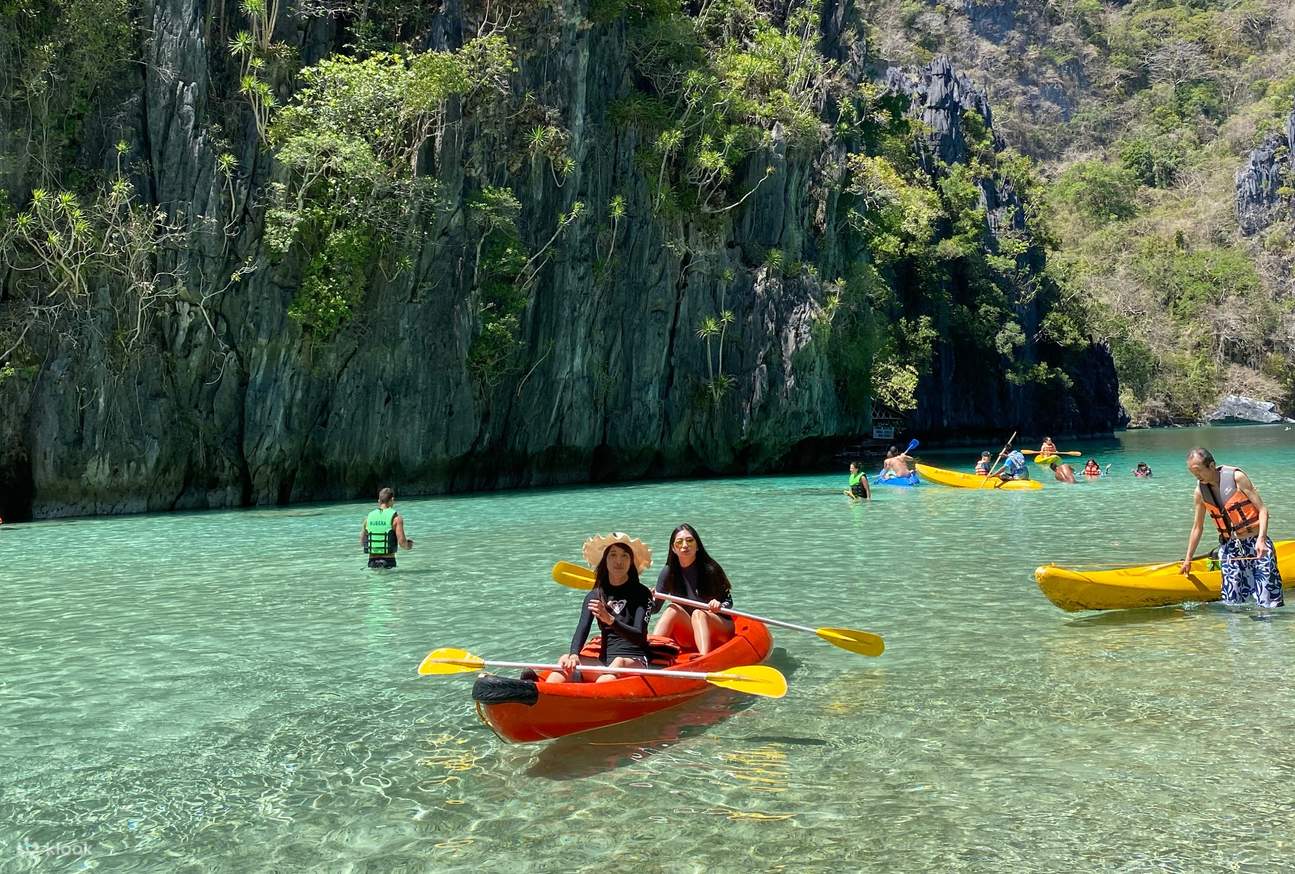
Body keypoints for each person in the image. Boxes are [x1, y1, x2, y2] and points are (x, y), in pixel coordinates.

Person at [1179, 448, 1281, 608]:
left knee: (1268, 603)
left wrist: (1261, 539)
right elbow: (1197, 527)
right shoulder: (1200, 492)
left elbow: (1263, 510)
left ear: (1212, 466)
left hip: (1257, 544)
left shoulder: (1237, 478)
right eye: (1192, 472)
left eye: (1198, 471)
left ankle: (1267, 632)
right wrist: (1188, 559)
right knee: (1232, 603)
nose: (1196, 476)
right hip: (1230, 548)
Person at [549, 534, 655, 683]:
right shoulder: (595, 595)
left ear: (631, 562)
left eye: (624, 556)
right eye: (613, 555)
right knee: (564, 659)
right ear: (605, 560)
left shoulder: (642, 594)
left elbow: (639, 636)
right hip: (604, 664)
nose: (618, 561)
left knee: (619, 662)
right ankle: (543, 697)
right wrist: (574, 654)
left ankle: (593, 697)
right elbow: (582, 628)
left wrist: (610, 620)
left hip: (635, 661)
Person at [653, 523, 734, 654]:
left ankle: (704, 657)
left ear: (697, 546)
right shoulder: (669, 572)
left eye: (690, 541)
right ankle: (651, 653)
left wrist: (719, 605)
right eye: (679, 542)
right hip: (691, 630)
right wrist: (645, 598)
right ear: (673, 548)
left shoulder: (710, 569)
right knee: (671, 609)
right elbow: (654, 608)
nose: (685, 545)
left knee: (698, 613)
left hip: (719, 627)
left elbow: (729, 602)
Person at [359, 487, 413, 569]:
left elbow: (362, 542)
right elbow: (402, 543)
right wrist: (409, 545)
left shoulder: (368, 518)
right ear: (392, 500)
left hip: (372, 562)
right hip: (388, 561)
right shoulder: (396, 519)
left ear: (379, 501)